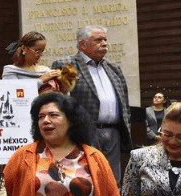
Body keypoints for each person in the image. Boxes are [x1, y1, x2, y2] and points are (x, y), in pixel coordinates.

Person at [51, 25, 131, 183]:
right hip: (84, 132)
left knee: (113, 182)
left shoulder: (114, 69)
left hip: (113, 133)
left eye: (105, 40)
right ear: (82, 45)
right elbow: (59, 103)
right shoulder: (68, 65)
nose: (104, 43)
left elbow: (125, 105)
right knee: (87, 180)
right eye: (98, 40)